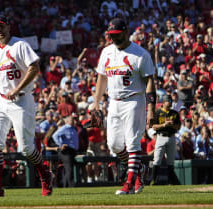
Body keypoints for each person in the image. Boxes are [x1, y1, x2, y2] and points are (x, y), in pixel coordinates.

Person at [0, 15, 52, 197]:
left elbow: (34, 67)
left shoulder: (20, 45)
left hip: (21, 99)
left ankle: (45, 174)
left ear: (8, 27)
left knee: (27, 148)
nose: (0, 30)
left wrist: (17, 89)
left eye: (2, 26)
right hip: (1, 100)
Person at [93, 18, 156, 195]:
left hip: (134, 99)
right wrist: (95, 103)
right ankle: (139, 169)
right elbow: (101, 78)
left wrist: (151, 109)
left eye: (117, 35)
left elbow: (150, 82)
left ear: (126, 32)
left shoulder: (140, 54)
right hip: (114, 101)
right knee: (113, 144)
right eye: (111, 35)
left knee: (132, 142)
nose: (114, 38)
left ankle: (129, 183)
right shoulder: (106, 52)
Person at [151, 95, 181, 185]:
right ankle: (153, 180)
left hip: (171, 137)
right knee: (157, 160)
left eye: (171, 101)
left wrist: (171, 125)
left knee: (171, 162)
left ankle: (172, 182)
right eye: (168, 101)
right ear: (163, 103)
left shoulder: (175, 113)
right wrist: (164, 125)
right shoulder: (158, 112)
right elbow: (153, 127)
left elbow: (178, 127)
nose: (170, 102)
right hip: (161, 137)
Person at [52, 115, 79, 187]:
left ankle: (66, 185)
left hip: (73, 151)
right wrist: (61, 144)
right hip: (66, 151)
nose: (73, 121)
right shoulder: (64, 128)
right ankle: (71, 186)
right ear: (67, 121)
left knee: (70, 169)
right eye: (71, 120)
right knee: (69, 169)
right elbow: (55, 135)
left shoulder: (74, 128)